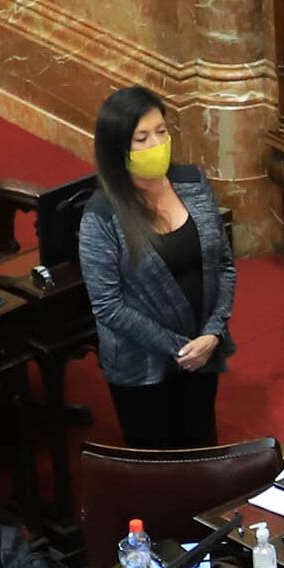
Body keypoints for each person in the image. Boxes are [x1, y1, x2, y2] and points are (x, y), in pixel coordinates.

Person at [78, 86, 237, 449]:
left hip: (203, 349)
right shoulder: (101, 217)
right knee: (158, 465)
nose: (156, 144)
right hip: (143, 367)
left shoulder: (193, 184)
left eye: (161, 132)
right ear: (118, 149)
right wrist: (180, 349)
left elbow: (224, 264)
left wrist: (213, 333)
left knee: (202, 447)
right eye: (142, 138)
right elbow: (107, 305)